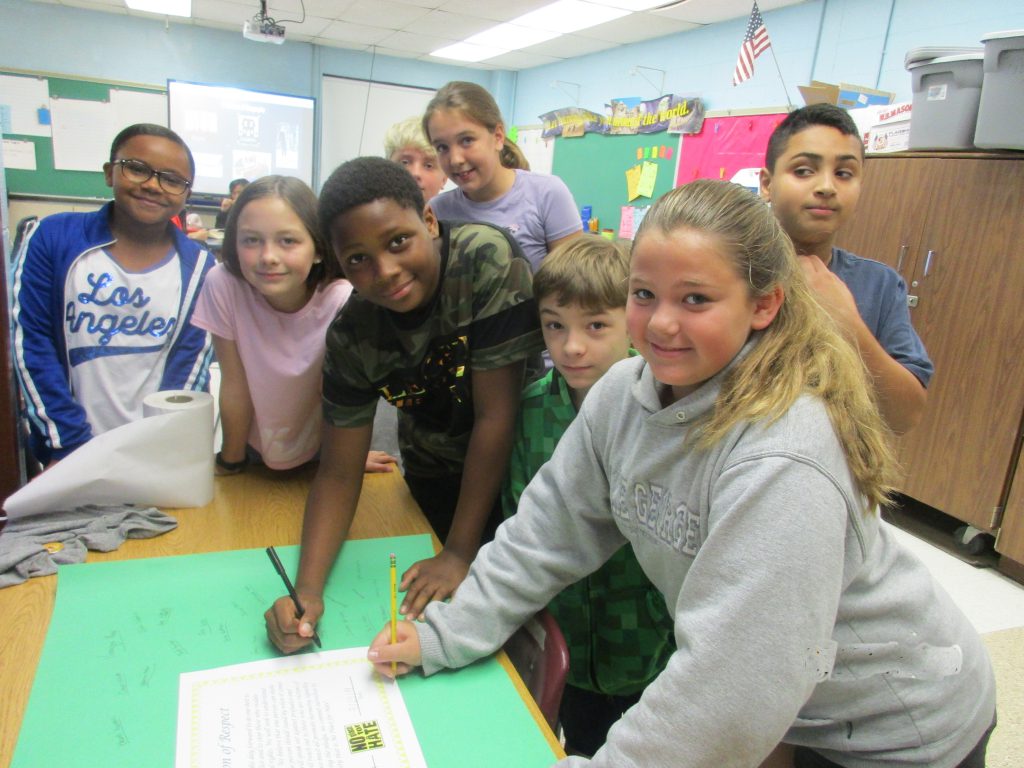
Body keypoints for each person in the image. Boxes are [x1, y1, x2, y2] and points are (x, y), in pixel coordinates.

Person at [369, 179, 996, 768]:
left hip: (896, 724)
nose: (662, 322)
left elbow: (732, 689)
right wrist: (445, 635)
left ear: (764, 304)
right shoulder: (622, 393)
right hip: (790, 703)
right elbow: (545, 533)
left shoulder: (783, 452)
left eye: (695, 298)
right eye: (644, 295)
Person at [264, 156, 543, 652]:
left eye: (398, 242)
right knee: (437, 622)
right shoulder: (352, 336)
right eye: (358, 260)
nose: (385, 271)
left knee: (515, 627)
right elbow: (338, 472)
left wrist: (459, 551)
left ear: (429, 222)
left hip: (517, 477)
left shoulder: (484, 258)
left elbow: (495, 417)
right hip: (433, 475)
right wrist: (305, 590)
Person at [501, 234, 674, 757]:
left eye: (596, 326)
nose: (571, 346)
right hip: (567, 638)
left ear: (633, 325)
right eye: (555, 325)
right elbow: (518, 518)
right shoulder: (528, 411)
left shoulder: (662, 417)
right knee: (581, 741)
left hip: (649, 644)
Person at [12, 123, 215, 467]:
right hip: (69, 451)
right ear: (110, 173)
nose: (152, 185)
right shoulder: (52, 238)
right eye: (137, 169)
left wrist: (158, 442)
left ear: (186, 194)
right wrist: (72, 448)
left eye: (171, 179)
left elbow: (189, 368)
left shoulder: (200, 268)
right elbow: (32, 345)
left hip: (155, 455)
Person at [189, 175, 396, 475]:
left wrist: (348, 455)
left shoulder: (343, 301)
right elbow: (234, 385)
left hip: (326, 448)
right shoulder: (223, 284)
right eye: (251, 240)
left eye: (288, 241)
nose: (268, 257)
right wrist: (231, 461)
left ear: (319, 249)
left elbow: (339, 397)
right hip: (254, 447)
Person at [759, 103, 932, 434]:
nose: (826, 187)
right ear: (767, 183)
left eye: (844, 173)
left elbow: (904, 418)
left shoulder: (878, 285)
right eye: (804, 171)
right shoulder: (728, 270)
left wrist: (847, 325)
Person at [423, 81, 582, 272]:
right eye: (442, 147)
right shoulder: (438, 211)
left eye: (467, 140)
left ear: (498, 137)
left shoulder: (546, 193)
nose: (455, 159)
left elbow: (575, 285)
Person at [384, 115, 447, 202]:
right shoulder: (363, 214)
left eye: (428, 166)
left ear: (444, 179)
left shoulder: (455, 215)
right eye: (404, 162)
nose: (415, 173)